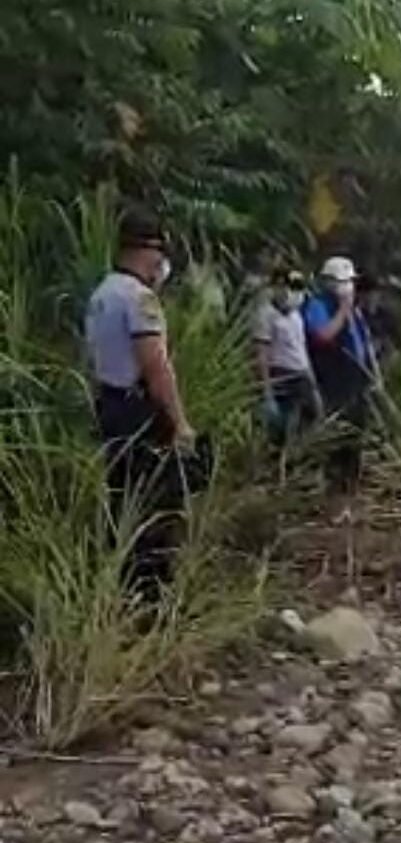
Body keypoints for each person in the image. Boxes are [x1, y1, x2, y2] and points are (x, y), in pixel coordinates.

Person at [85, 207, 195, 599]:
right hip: (138, 412)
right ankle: (148, 597)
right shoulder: (139, 298)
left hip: (110, 407)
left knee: (121, 499)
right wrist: (179, 422)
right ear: (148, 251)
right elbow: (155, 366)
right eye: (159, 255)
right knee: (152, 506)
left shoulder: (102, 293)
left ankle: (117, 590)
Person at [303, 256, 378, 507]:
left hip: (356, 379)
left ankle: (351, 493)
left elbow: (362, 342)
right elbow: (322, 336)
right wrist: (344, 311)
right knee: (336, 438)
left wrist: (372, 373)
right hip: (333, 379)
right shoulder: (317, 305)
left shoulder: (355, 310)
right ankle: (332, 495)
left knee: (357, 436)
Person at [253, 267, 321, 449]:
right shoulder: (266, 314)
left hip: (301, 373)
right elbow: (262, 353)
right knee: (281, 427)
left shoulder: (296, 315)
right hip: (281, 374)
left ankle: (297, 456)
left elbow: (301, 348)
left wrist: (311, 380)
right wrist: (266, 391)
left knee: (312, 417)